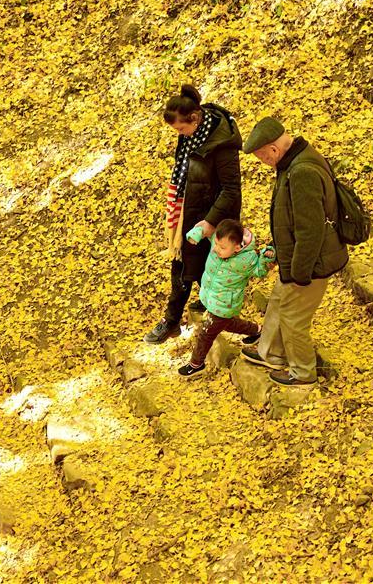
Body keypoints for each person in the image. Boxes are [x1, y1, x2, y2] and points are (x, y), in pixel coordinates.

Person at [239, 117, 348, 385]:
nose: (264, 162)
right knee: (278, 300)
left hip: (311, 261)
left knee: (293, 318)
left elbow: (310, 231)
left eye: (263, 157)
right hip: (298, 257)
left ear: (273, 150)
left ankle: (303, 373)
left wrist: (299, 272)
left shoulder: (302, 172)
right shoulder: (295, 162)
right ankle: (271, 353)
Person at [143, 85, 243, 344]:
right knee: (188, 265)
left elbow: (231, 190)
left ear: (194, 118)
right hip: (189, 208)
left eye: (180, 129)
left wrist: (209, 223)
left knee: (191, 266)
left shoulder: (222, 144)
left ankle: (173, 319)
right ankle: (183, 316)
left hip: (210, 216)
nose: (179, 134)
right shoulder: (193, 134)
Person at [177, 219, 276, 378]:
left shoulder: (246, 259)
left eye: (222, 247)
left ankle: (196, 364)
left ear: (237, 247)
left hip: (225, 303)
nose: (216, 249)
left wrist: (266, 258)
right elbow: (205, 230)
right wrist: (196, 234)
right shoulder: (219, 241)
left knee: (207, 333)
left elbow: (259, 271)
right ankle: (257, 331)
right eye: (216, 244)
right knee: (227, 323)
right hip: (212, 297)